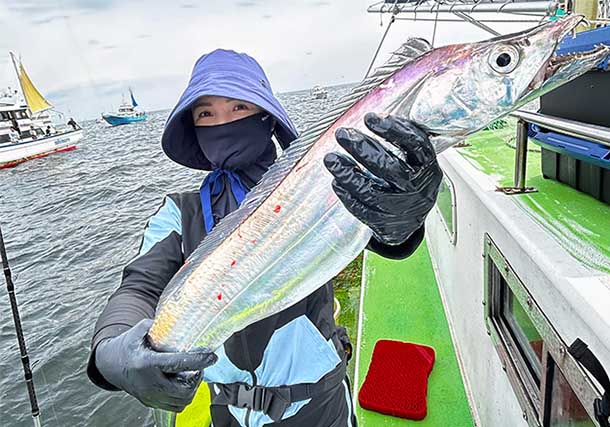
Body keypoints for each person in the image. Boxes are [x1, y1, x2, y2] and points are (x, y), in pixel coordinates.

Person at [87, 49, 442, 427]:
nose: (222, 122)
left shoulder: (321, 179)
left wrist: (401, 222)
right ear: (193, 128)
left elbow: (386, 238)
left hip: (321, 408)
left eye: (238, 107)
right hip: (227, 415)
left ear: (266, 116)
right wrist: (112, 350)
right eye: (206, 113)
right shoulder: (180, 213)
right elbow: (139, 288)